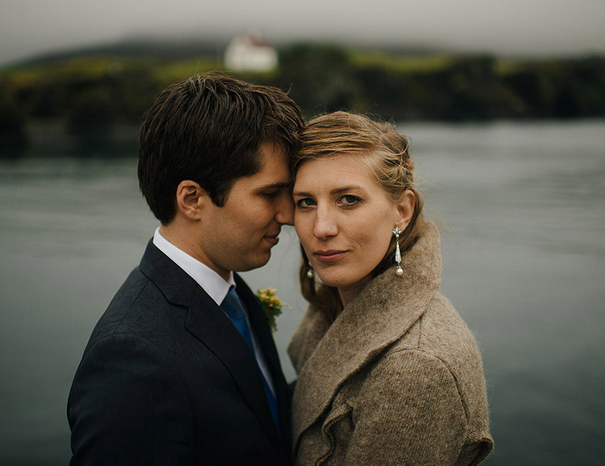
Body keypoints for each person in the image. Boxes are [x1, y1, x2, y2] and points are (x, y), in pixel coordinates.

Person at [67, 73, 304, 465]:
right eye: (269, 194)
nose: (289, 214)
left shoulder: (233, 294)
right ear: (192, 199)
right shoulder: (132, 359)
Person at [288, 111, 493, 465]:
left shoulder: (416, 367)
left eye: (348, 199)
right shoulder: (332, 309)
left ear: (402, 211)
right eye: (306, 202)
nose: (320, 227)